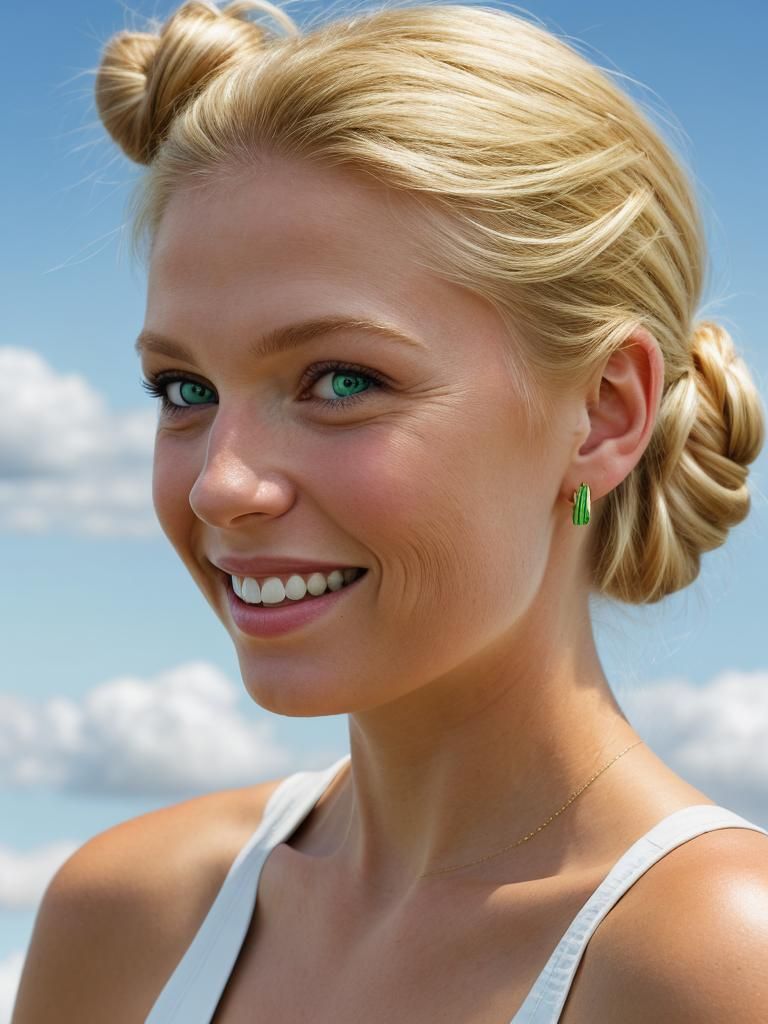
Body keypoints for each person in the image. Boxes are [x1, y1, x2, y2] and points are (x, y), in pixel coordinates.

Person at [12, 1, 768, 1022]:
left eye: (340, 379)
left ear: (603, 413)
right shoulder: (125, 919)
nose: (220, 484)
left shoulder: (717, 959)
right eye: (184, 390)